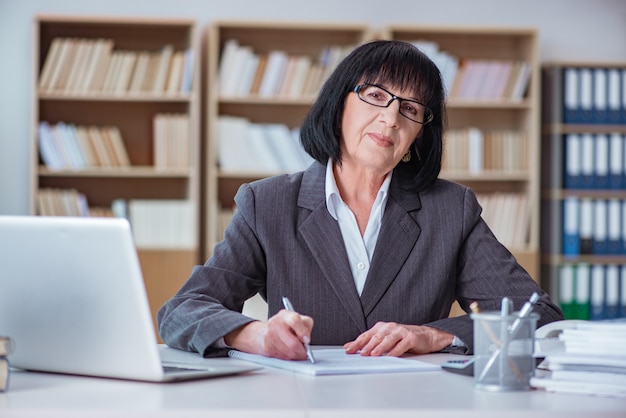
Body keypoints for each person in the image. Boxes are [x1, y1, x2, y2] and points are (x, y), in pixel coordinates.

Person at [157, 39, 563, 360]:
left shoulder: (451, 209)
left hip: (413, 405)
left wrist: (435, 335)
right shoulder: (267, 203)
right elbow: (181, 311)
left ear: (420, 132)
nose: (391, 118)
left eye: (410, 108)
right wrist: (256, 334)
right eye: (375, 95)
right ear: (339, 105)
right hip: (302, 405)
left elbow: (538, 317)